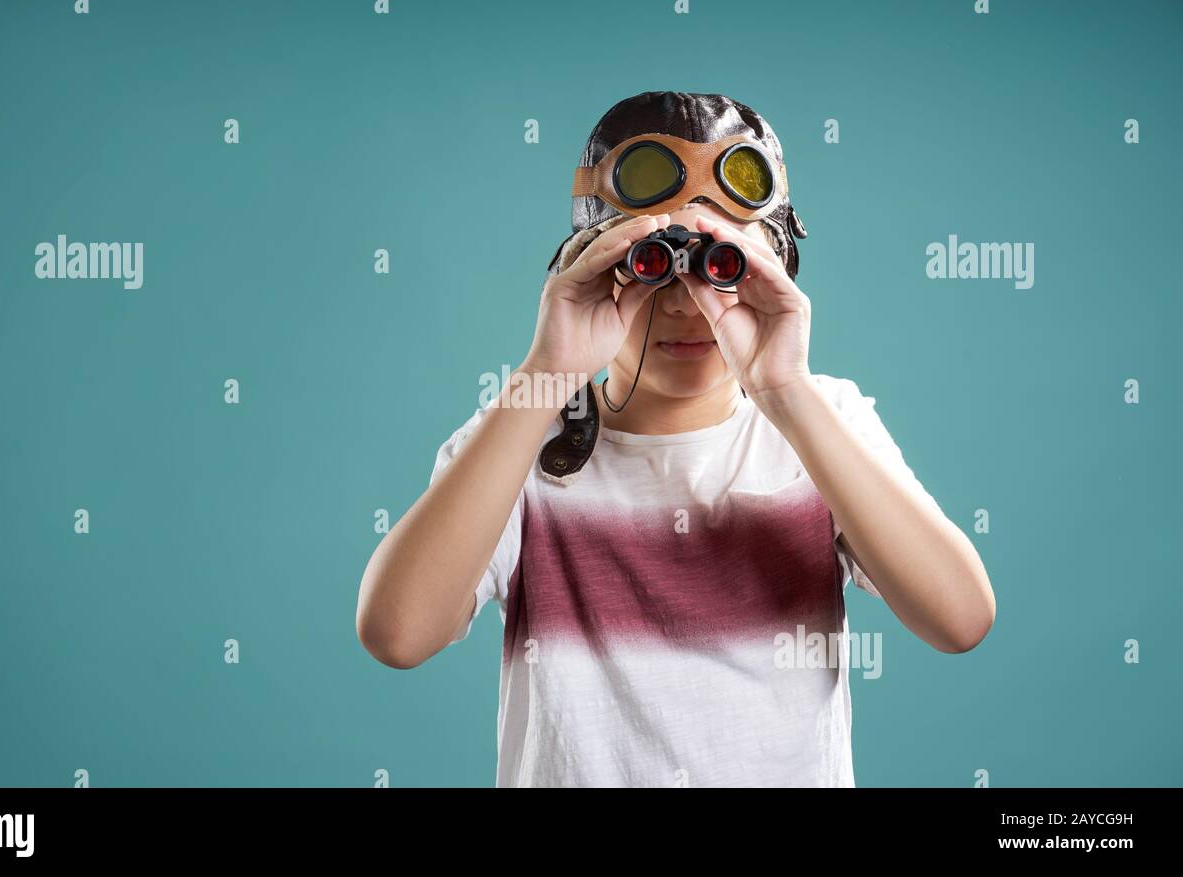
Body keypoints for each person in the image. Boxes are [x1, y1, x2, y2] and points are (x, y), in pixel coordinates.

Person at [356, 91, 995, 787]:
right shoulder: (525, 438)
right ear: (592, 268)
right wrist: (546, 372)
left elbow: (959, 618)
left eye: (724, 269)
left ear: (773, 272)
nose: (687, 303)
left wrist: (787, 392)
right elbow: (397, 633)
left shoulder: (822, 421)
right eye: (651, 267)